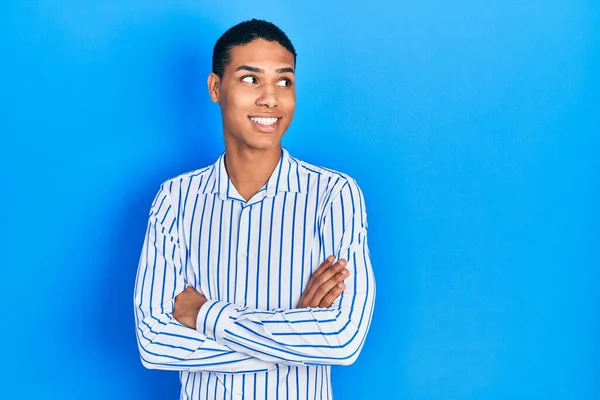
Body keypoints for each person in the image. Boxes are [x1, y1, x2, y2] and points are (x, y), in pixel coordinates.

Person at [133, 18, 376, 399]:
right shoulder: (175, 199)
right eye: (251, 79)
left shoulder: (333, 194)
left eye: (284, 81)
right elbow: (153, 342)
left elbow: (342, 339)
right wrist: (296, 335)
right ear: (216, 87)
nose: (271, 98)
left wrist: (203, 314)